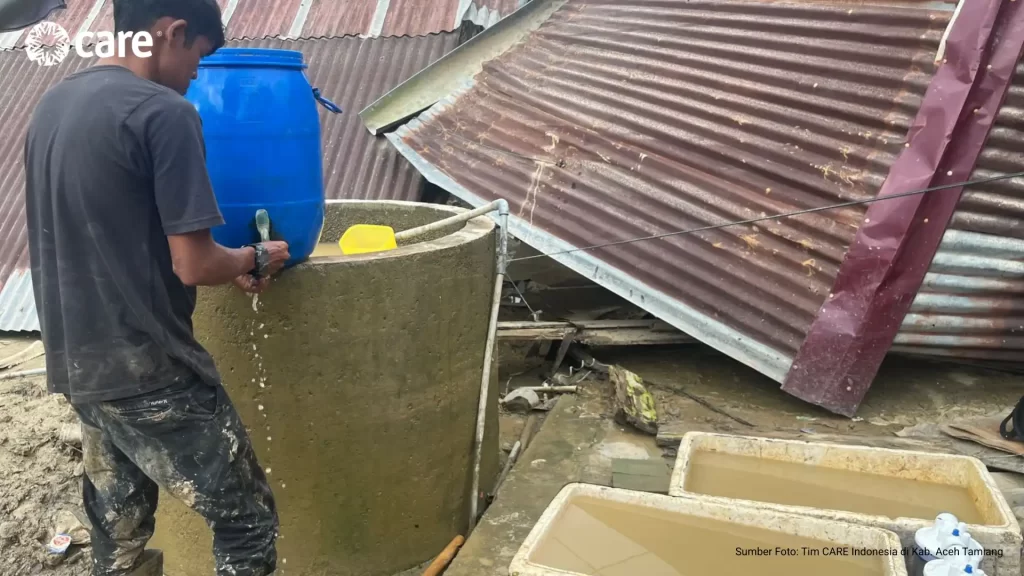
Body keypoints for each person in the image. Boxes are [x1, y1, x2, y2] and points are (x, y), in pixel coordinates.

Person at [23, 1, 288, 574]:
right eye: (199, 56)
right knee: (245, 521)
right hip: (151, 370)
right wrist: (253, 255)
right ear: (171, 32)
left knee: (119, 532)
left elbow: (111, 233)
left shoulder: (55, 104)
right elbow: (193, 263)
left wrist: (223, 261)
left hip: (79, 365)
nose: (198, 74)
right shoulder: (162, 112)